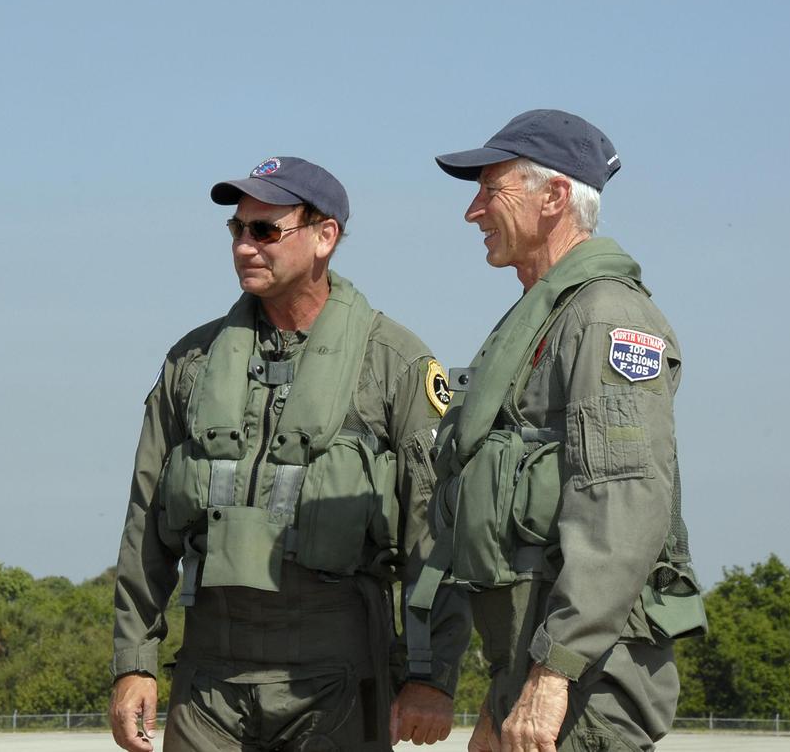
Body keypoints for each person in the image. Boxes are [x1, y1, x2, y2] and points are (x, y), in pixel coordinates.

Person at [110, 157, 470, 752]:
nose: (245, 246)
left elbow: (436, 538)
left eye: (265, 230)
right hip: (208, 681)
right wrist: (133, 662)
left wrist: (431, 677)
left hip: (335, 677)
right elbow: (145, 524)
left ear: (325, 236)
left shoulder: (394, 363)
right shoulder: (190, 365)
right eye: (238, 230)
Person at [408, 110, 706, 752]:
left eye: (492, 190)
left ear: (556, 196)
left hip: (588, 682)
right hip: (537, 670)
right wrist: (505, 694)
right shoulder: (539, 322)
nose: (473, 212)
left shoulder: (605, 318)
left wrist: (552, 675)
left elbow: (621, 507)